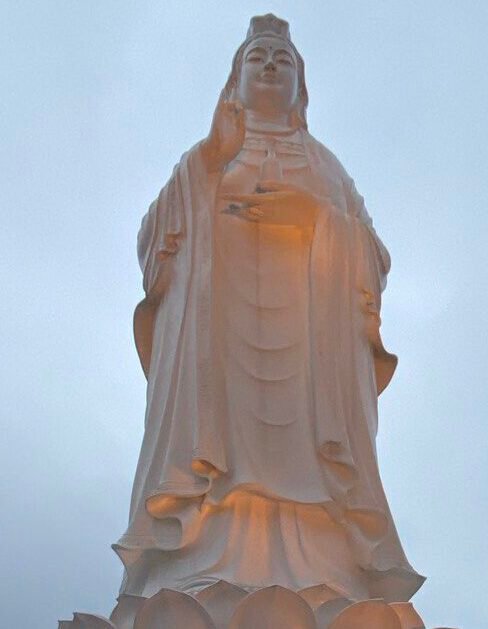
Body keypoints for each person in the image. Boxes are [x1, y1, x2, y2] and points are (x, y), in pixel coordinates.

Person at [115, 13, 424, 603]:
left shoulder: (326, 166)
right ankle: (202, 564)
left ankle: (324, 570)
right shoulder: (204, 156)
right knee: (217, 447)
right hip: (219, 336)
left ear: (300, 88)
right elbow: (154, 244)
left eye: (282, 61)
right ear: (234, 80)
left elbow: (376, 259)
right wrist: (209, 161)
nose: (270, 66)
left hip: (309, 343)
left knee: (309, 453)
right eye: (256, 58)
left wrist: (317, 218)